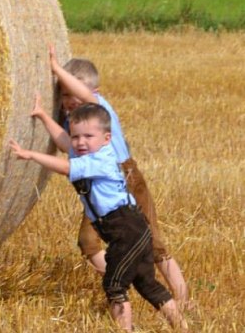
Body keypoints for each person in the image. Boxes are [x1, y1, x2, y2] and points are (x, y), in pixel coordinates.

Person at [30, 45, 191, 310]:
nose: (70, 100)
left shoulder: (99, 111)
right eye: (64, 94)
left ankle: (182, 301)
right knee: (88, 243)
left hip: (124, 178)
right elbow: (65, 144)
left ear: (94, 93)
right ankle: (120, 284)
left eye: (74, 93)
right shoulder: (77, 125)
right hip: (96, 188)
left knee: (154, 245)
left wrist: (57, 69)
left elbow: (85, 96)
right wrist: (44, 115)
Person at [10, 103, 187, 332]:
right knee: (147, 284)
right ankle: (182, 326)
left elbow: (66, 167)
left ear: (106, 138)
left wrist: (31, 155)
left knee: (115, 285)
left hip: (127, 230)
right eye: (77, 136)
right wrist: (44, 116)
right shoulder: (88, 152)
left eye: (88, 136)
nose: (80, 142)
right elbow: (63, 141)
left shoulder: (101, 160)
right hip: (128, 229)